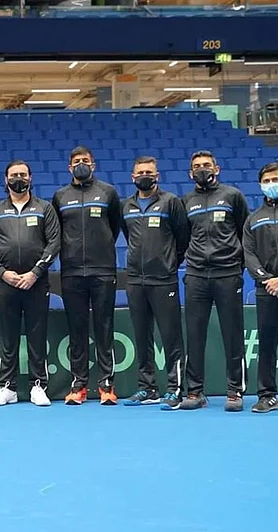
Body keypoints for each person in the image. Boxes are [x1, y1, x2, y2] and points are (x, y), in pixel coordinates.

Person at [0, 161, 61, 406]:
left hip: (36, 283)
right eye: (14, 175)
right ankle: (7, 387)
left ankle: (39, 385)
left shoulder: (44, 208)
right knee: (9, 338)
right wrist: (2, 273)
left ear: (30, 178)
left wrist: (35, 273)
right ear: (6, 180)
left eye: (23, 174)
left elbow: (54, 243)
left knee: (37, 336)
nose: (19, 178)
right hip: (6, 284)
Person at [52, 146, 121, 406]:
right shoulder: (60, 196)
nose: (81, 164)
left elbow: (114, 227)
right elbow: (57, 232)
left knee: (104, 327)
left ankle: (106, 384)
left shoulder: (108, 192)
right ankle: (78, 384)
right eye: (77, 161)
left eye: (85, 160)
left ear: (93, 164)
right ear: (69, 167)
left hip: (102, 270)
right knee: (77, 329)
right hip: (71, 272)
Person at [181, 150, 249, 411]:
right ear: (191, 173)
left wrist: (238, 265)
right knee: (195, 335)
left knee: (233, 335)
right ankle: (195, 391)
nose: (202, 169)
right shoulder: (186, 201)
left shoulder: (233, 196)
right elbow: (183, 237)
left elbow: (245, 234)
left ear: (216, 169)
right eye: (197, 166)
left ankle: (234, 391)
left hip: (228, 274)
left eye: (207, 165)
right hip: (196, 275)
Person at [119, 156, 189, 410]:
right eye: (140, 172)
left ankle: (175, 388)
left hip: (163, 280)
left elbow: (183, 238)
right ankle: (147, 387)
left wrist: (169, 263)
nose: (144, 176)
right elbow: (128, 236)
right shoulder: (126, 206)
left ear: (157, 176)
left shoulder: (171, 202)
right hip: (135, 280)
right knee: (142, 337)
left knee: (171, 337)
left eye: (149, 172)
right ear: (132, 177)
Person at [243, 162, 278, 413]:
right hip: (266, 289)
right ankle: (267, 395)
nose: (271, 184)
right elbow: (249, 254)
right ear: (260, 185)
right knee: (266, 343)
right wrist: (269, 280)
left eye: (275, 180)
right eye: (266, 181)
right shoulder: (253, 219)